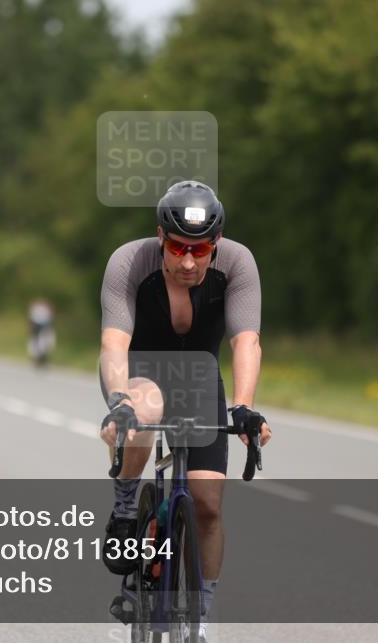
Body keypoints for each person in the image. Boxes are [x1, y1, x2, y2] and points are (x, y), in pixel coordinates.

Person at [98, 180, 272, 641]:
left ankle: (201, 620)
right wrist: (119, 401)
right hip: (141, 376)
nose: (189, 262)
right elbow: (114, 342)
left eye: (200, 249)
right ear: (161, 237)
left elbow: (245, 340)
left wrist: (244, 407)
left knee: (208, 507)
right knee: (146, 409)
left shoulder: (237, 264)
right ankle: (124, 508)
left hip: (199, 379)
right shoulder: (128, 262)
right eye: (177, 248)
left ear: (216, 243)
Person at [27, 297, 55, 366]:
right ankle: (37, 358)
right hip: (36, 326)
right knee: (36, 342)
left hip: (44, 326)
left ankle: (43, 358)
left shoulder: (44, 308)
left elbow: (50, 317)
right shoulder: (36, 308)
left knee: (45, 342)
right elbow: (31, 317)